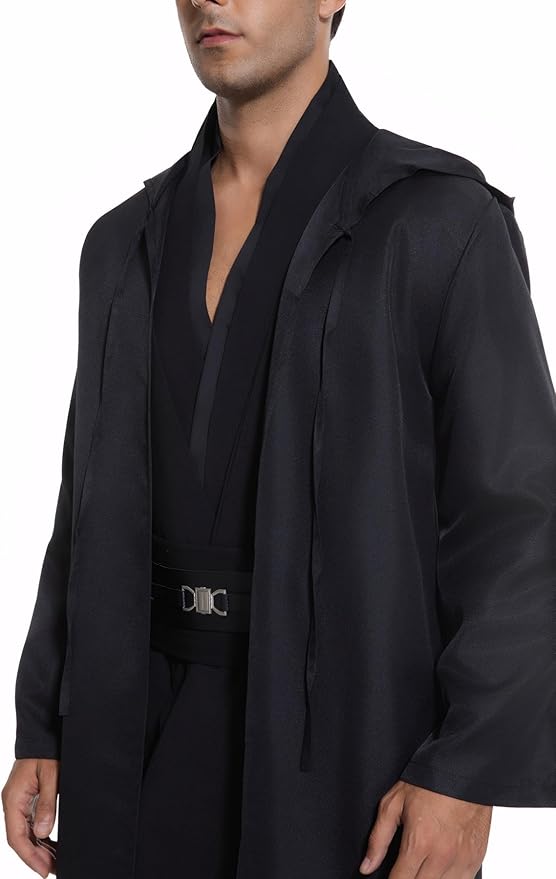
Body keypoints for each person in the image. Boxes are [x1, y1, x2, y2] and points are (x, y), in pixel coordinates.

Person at [3, 1, 556, 878]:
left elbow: (518, 518)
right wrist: (45, 716)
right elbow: (87, 501)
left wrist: (467, 769)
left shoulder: (440, 224)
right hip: (136, 735)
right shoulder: (122, 243)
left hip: (351, 750)